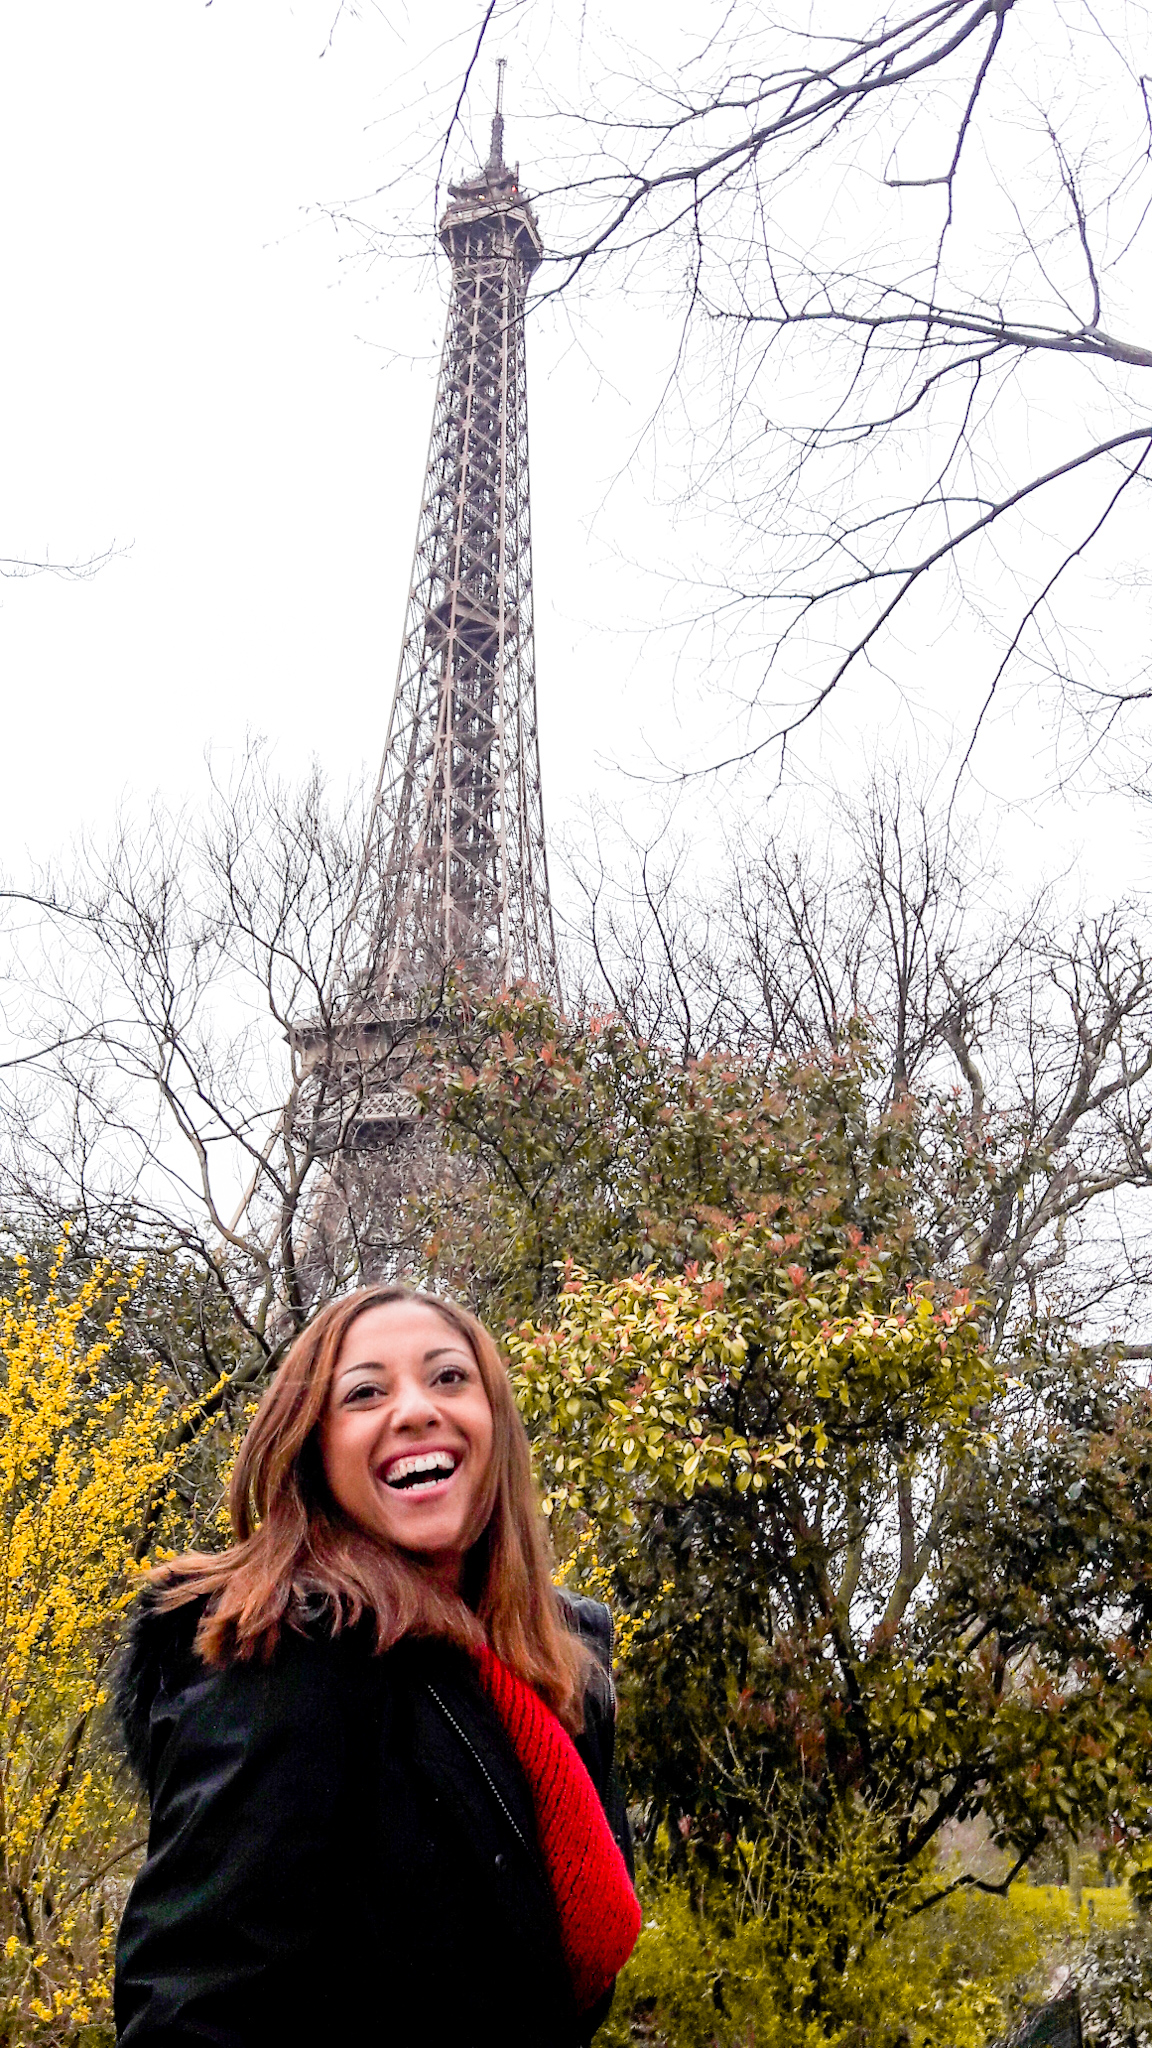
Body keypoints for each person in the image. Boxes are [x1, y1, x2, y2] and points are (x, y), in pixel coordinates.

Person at [114, 1284, 639, 2048]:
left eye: (449, 1377)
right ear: (314, 1450)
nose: (417, 1409)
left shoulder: (557, 1667)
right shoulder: (288, 1655)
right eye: (365, 1392)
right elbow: (193, 2017)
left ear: (496, 1425)